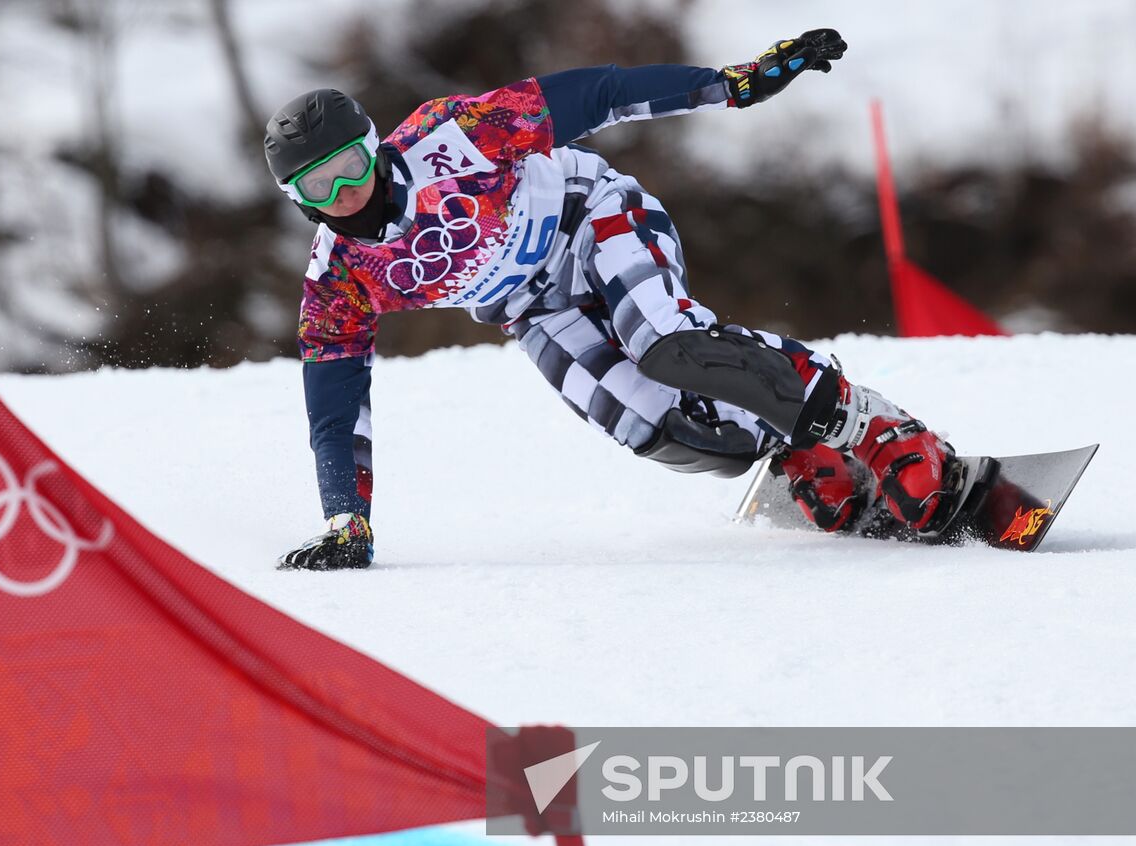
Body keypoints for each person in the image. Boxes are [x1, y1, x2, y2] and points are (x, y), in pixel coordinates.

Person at [266, 29, 955, 571]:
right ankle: (796, 445)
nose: (345, 194)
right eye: (319, 188)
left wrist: (731, 86)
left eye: (351, 166)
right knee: (672, 433)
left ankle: (873, 428)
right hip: (533, 306)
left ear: (372, 145)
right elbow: (335, 408)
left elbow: (601, 93)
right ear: (297, 202)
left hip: (590, 218)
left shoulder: (452, 136)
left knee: (669, 347)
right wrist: (345, 519)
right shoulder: (337, 280)